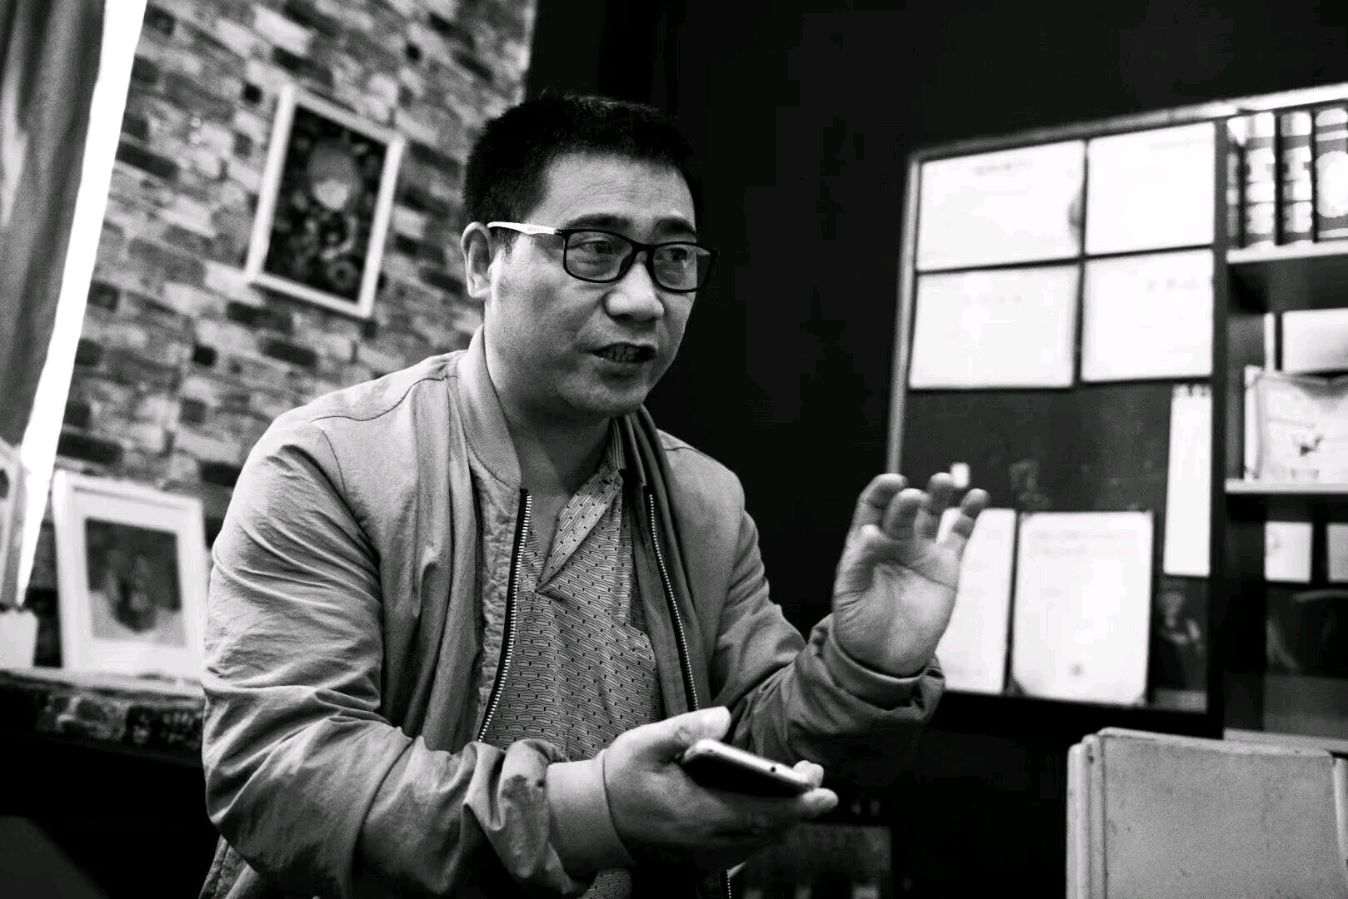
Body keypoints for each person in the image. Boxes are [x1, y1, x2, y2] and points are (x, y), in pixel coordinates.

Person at [198, 93, 988, 899]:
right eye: (596, 248)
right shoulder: (334, 463)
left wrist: (864, 666)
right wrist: (593, 812)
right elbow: (284, 772)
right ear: (483, 261)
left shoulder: (704, 503)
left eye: (673, 258)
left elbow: (752, 751)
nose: (643, 299)